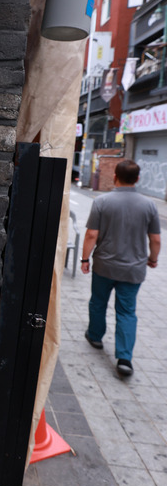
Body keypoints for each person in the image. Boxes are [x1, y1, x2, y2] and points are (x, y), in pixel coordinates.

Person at [80, 159, 161, 377]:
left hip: (104, 265)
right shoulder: (149, 205)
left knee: (98, 302)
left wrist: (84, 259)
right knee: (126, 311)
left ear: (115, 176)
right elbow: (155, 239)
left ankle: (95, 337)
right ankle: (124, 358)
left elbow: (91, 234)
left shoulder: (102, 202)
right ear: (137, 179)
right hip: (133, 270)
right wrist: (153, 259)